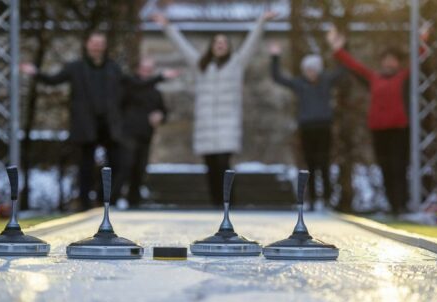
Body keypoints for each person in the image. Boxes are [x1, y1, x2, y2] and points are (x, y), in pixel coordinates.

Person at [21, 31, 168, 210]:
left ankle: (105, 199)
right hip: (86, 125)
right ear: (87, 45)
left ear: (104, 46)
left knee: (118, 162)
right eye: (94, 43)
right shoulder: (76, 67)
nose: (97, 46)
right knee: (85, 165)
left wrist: (160, 77)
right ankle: (85, 204)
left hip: (109, 126)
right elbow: (54, 80)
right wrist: (36, 73)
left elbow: (134, 83)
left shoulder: (113, 68)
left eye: (100, 43)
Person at [152, 11, 277, 206]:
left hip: (227, 125)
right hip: (206, 127)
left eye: (223, 43)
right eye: (217, 42)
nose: (220, 45)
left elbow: (251, 44)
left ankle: (229, 204)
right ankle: (215, 205)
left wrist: (261, 21)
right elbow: (182, 46)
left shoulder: (237, 64)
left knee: (224, 165)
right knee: (211, 167)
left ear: (228, 47)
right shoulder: (200, 65)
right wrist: (167, 26)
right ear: (212, 47)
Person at [326, 25, 429, 215]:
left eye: (392, 60)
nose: (389, 63)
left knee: (399, 167)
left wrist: (423, 38)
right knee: (385, 167)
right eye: (386, 60)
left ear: (397, 63)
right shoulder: (373, 78)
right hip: (378, 129)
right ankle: (392, 205)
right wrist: (338, 49)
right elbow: (354, 67)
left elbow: (418, 61)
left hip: (399, 128)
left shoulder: (403, 77)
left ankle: (402, 204)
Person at [269, 42, 344, 210]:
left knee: (324, 163)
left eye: (314, 69)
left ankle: (326, 199)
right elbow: (278, 78)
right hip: (307, 128)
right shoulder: (299, 84)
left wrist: (338, 49)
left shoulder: (325, 81)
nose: (311, 73)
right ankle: (311, 200)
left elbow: (341, 71)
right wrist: (275, 57)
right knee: (310, 165)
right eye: (308, 69)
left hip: (324, 127)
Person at [118, 57, 169, 207]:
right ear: (138, 69)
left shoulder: (155, 92)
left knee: (140, 169)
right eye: (144, 68)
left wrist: (160, 115)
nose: (147, 72)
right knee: (125, 166)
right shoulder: (129, 85)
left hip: (145, 135)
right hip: (127, 134)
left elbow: (163, 111)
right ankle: (112, 200)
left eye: (150, 69)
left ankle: (134, 202)